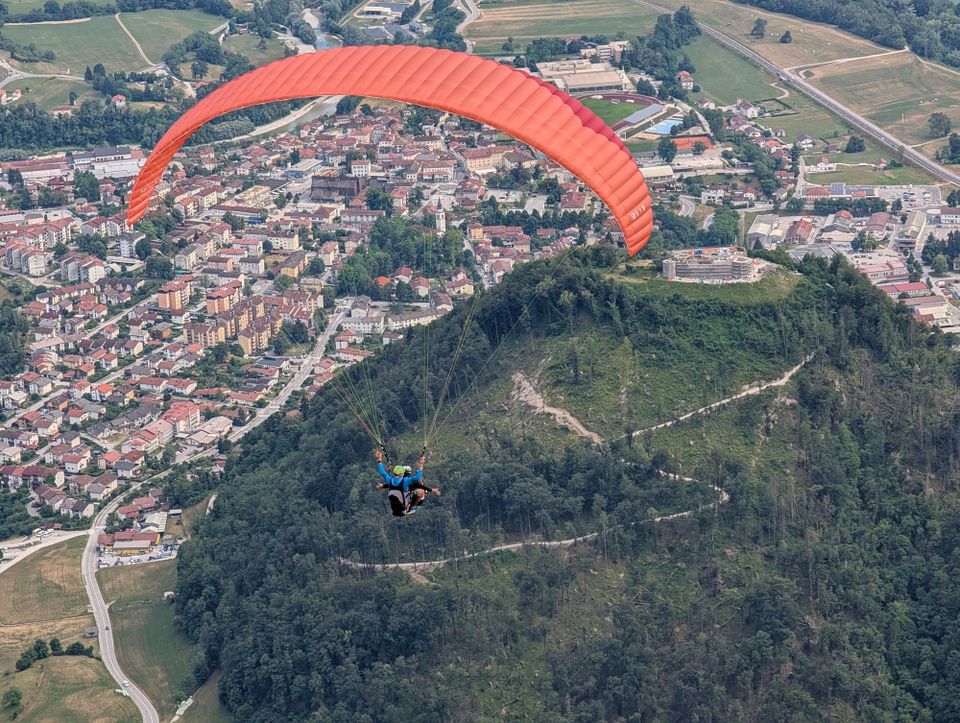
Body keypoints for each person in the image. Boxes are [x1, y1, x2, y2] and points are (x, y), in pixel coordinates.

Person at [375, 449, 440, 516]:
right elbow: (418, 477)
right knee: (421, 492)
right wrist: (421, 464)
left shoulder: (390, 480)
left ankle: (409, 506)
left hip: (394, 511)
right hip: (404, 510)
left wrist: (379, 459)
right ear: (401, 474)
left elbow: (382, 472)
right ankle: (411, 507)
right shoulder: (406, 480)